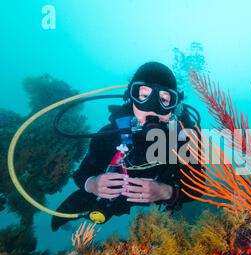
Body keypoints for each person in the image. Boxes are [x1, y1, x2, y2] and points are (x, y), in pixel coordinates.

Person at [51, 62, 204, 231]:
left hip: (163, 195)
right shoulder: (110, 136)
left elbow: (198, 186)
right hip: (116, 198)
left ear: (174, 106)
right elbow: (82, 173)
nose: (153, 108)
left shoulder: (183, 137)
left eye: (164, 100)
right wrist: (92, 184)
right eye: (143, 96)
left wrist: (166, 192)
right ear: (131, 98)